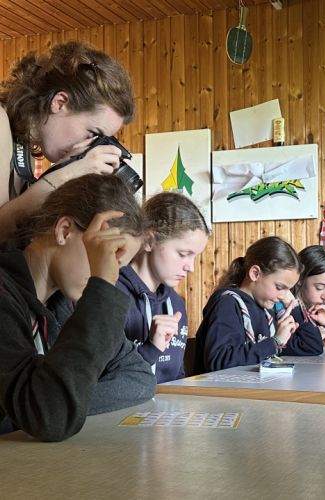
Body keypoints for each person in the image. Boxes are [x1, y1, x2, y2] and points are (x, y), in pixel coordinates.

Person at [0, 174, 156, 442]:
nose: (110, 275)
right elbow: (51, 416)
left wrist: (67, 402)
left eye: (116, 269)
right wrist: (54, 404)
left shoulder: (66, 306)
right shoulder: (4, 296)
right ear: (64, 230)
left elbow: (139, 376)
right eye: (106, 258)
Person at [0, 41, 135, 240]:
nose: (88, 147)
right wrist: (67, 173)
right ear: (60, 102)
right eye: (92, 134)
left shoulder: (24, 144)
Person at [117, 191, 210, 383]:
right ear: (149, 241)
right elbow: (101, 383)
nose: (191, 267)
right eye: (183, 254)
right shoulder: (113, 296)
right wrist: (151, 348)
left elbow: (177, 377)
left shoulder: (175, 303)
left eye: (195, 256)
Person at [194, 236, 324, 374]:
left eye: (288, 290)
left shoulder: (266, 311)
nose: (283, 296)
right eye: (279, 287)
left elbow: (312, 346)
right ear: (255, 273)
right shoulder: (227, 304)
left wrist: (294, 306)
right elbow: (218, 361)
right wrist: (275, 342)